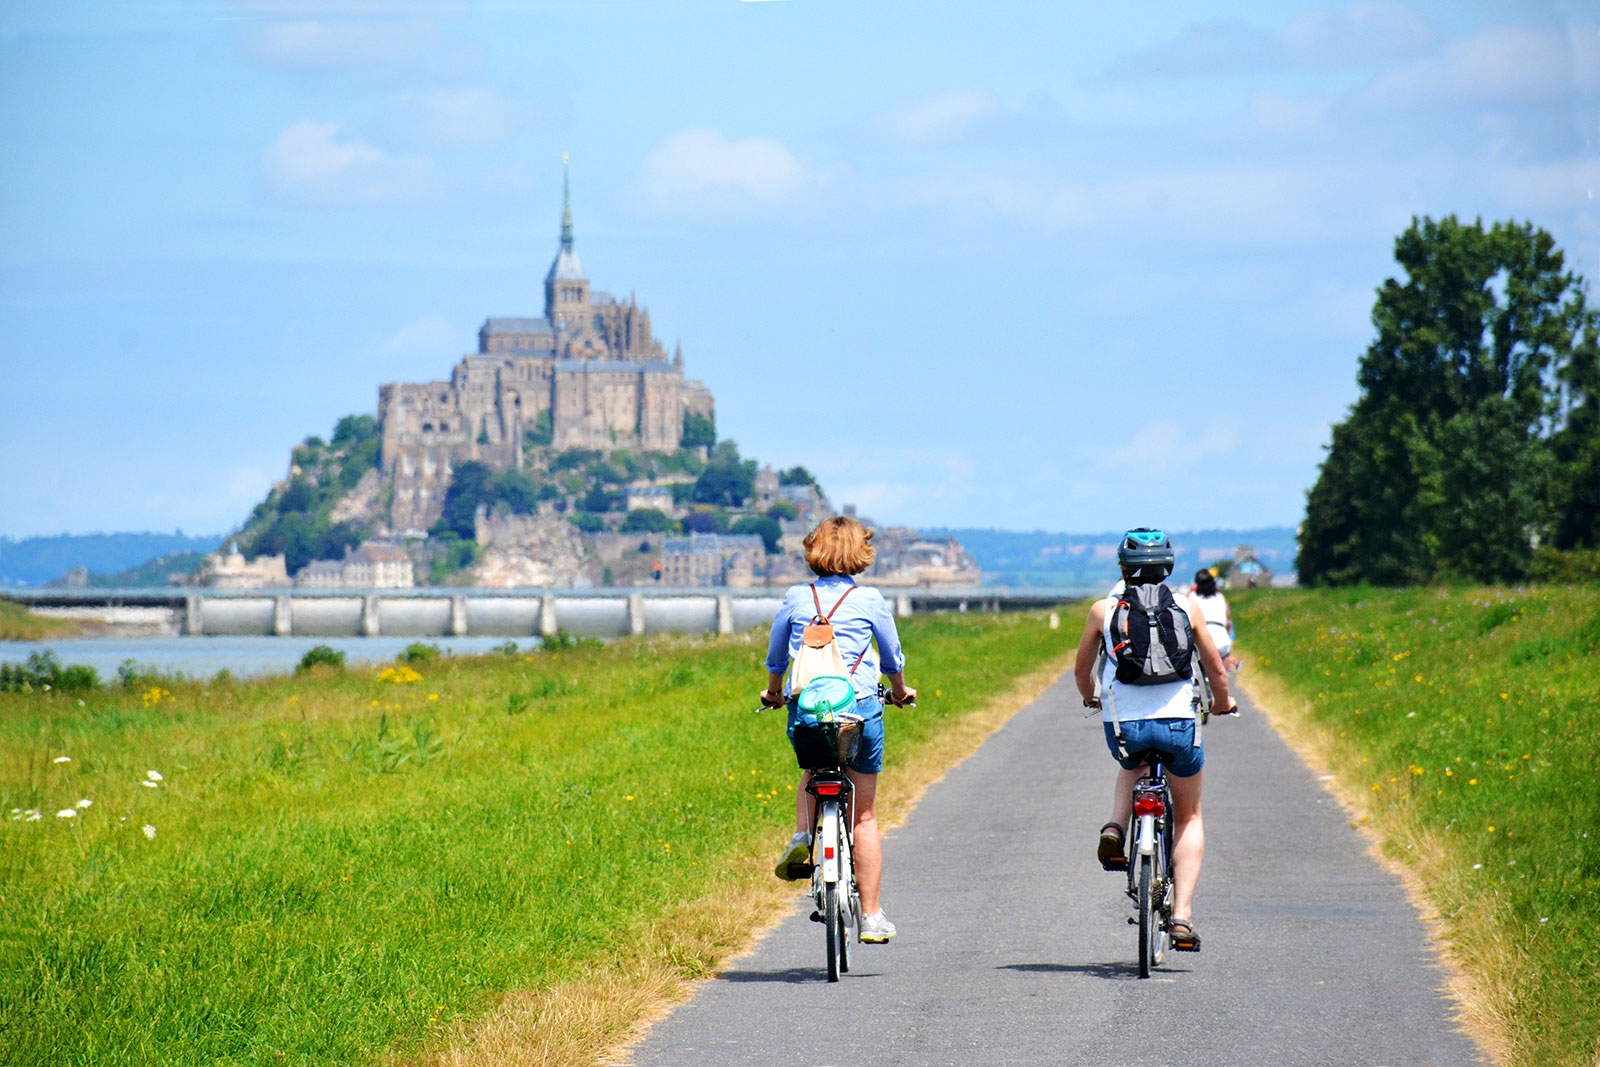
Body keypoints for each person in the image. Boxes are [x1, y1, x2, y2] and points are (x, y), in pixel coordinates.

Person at [1073, 528, 1235, 952]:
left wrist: (1091, 697)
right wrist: (1223, 701)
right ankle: (1181, 916)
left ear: (1123, 568)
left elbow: (1081, 671)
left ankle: (1115, 826)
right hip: (1180, 725)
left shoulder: (1101, 610)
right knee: (1189, 815)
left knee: (1132, 763)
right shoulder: (1189, 606)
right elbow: (1216, 671)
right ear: (1168, 566)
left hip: (1125, 727)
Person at [760, 515, 916, 944]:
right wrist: (900, 692)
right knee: (863, 816)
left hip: (808, 709)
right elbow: (892, 660)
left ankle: (803, 834)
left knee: (813, 773)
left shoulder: (796, 597)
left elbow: (777, 658)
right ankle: (870, 917)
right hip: (860, 709)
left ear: (814, 549)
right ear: (859, 553)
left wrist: (774, 692)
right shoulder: (869, 600)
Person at [1190, 568, 1237, 671]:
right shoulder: (1220, 597)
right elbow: (1228, 622)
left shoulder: (1192, 597)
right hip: (1222, 641)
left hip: (1202, 642)